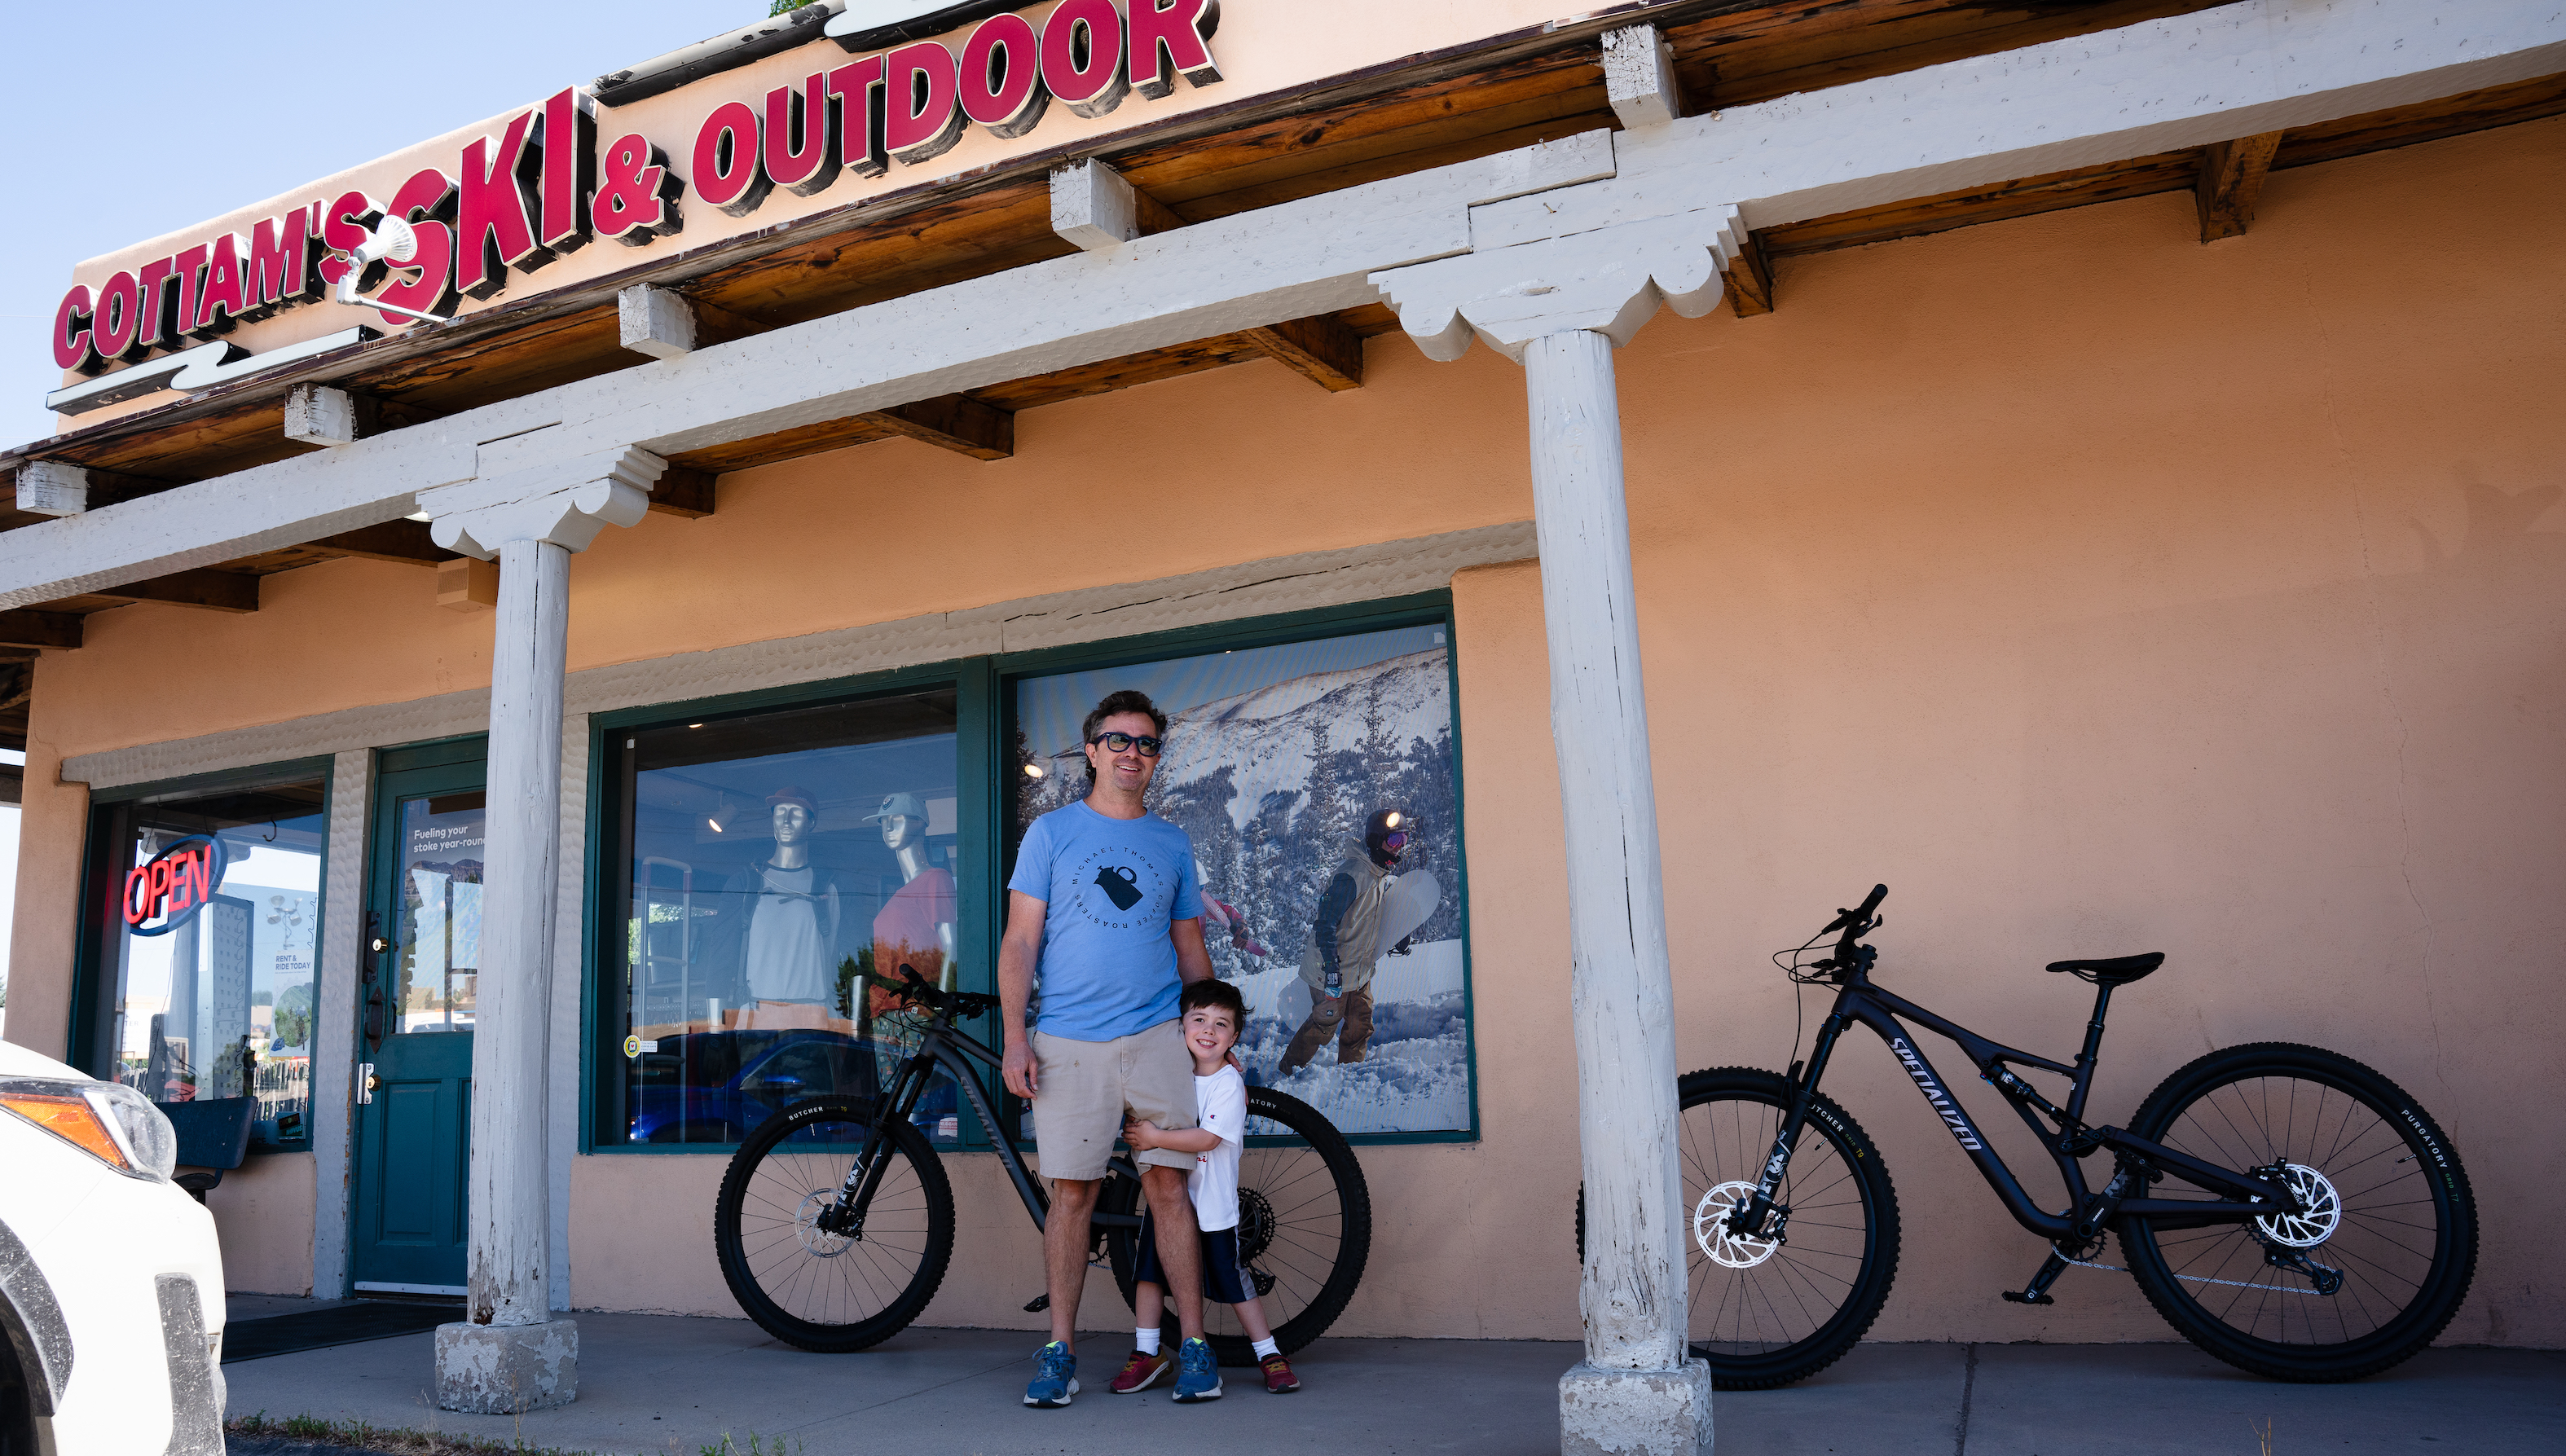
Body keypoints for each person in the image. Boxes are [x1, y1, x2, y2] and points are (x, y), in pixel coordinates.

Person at [1001, 689, 1221, 1407]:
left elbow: (1190, 945)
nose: (1133, 753)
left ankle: (1193, 1347)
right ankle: (1059, 1350)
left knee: (1169, 1189)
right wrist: (1013, 1037)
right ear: (1092, 749)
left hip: (1159, 1035)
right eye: (1119, 740)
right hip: (1067, 1041)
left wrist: (1211, 1038)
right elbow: (1021, 941)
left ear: (1156, 757)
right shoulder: (1051, 833)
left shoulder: (1171, 842)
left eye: (1147, 743)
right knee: (1071, 1196)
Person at [1114, 979, 1303, 1397]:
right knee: (1149, 1274)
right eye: (1198, 1019)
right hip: (1167, 1204)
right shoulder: (1173, 1074)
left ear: (1234, 1038)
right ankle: (1147, 1352)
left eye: (1221, 1024)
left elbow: (1208, 1139)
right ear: (1180, 1025)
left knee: (1233, 1281)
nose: (1208, 1030)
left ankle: (1269, 1354)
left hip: (1212, 1208)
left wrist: (1154, 1138)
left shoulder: (1227, 1084)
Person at [1277, 807, 1412, 1076]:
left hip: (1359, 969)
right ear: (1376, 840)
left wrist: (1398, 934)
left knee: (1361, 1024)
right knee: (1324, 1025)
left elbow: (1372, 915)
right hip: (1332, 969)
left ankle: (1349, 1078)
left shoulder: (1378, 874)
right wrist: (1331, 969)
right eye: (1394, 841)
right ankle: (1286, 1073)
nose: (1400, 848)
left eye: (1404, 840)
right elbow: (1325, 924)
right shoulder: (1352, 875)